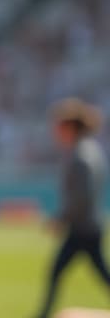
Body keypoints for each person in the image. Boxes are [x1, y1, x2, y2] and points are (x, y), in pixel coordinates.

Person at [35, 97, 110, 318]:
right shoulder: (90, 150)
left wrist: (61, 218)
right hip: (88, 225)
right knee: (66, 272)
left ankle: (42, 315)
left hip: (82, 228)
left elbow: (82, 197)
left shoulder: (81, 156)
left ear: (69, 127)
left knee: (59, 272)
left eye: (58, 126)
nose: (55, 132)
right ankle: (42, 314)